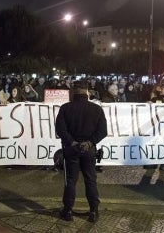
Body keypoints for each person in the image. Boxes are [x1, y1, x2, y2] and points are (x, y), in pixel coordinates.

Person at [55, 80, 107, 223]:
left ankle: (68, 211)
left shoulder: (65, 108)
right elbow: (103, 131)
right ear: (87, 92)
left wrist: (72, 142)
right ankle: (93, 211)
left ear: (73, 92)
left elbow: (60, 129)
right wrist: (89, 142)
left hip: (71, 149)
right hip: (89, 150)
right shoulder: (96, 109)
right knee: (90, 180)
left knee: (70, 180)